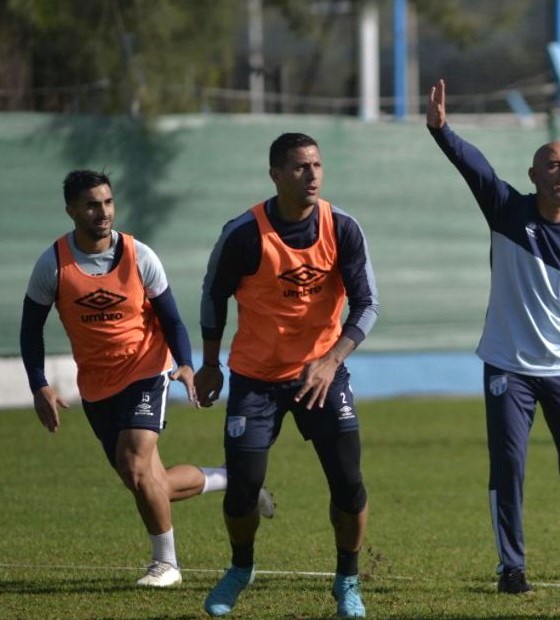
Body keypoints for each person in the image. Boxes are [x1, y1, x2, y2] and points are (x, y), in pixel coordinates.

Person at [18, 170, 275, 588]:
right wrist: (38, 383)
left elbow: (171, 318)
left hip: (146, 368)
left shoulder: (140, 256)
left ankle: (166, 565)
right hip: (98, 384)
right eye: (90, 204)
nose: (102, 212)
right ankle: (236, 478)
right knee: (148, 483)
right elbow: (30, 329)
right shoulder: (53, 263)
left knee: (135, 463)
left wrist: (186, 364)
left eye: (107, 202)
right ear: (71, 210)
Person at [426, 79, 560, 593]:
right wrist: (441, 129)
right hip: (509, 367)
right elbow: (474, 167)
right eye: (555, 164)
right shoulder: (507, 212)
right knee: (510, 464)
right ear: (534, 175)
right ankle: (511, 568)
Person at [195, 132, 379, 618]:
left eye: (317, 164)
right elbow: (213, 295)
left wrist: (332, 359)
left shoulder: (342, 228)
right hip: (255, 378)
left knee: (348, 484)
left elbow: (367, 305)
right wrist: (211, 364)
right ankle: (241, 568)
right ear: (275, 174)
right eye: (300, 167)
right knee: (241, 490)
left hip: (323, 374)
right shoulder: (244, 234)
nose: (312, 174)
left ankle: (347, 580)